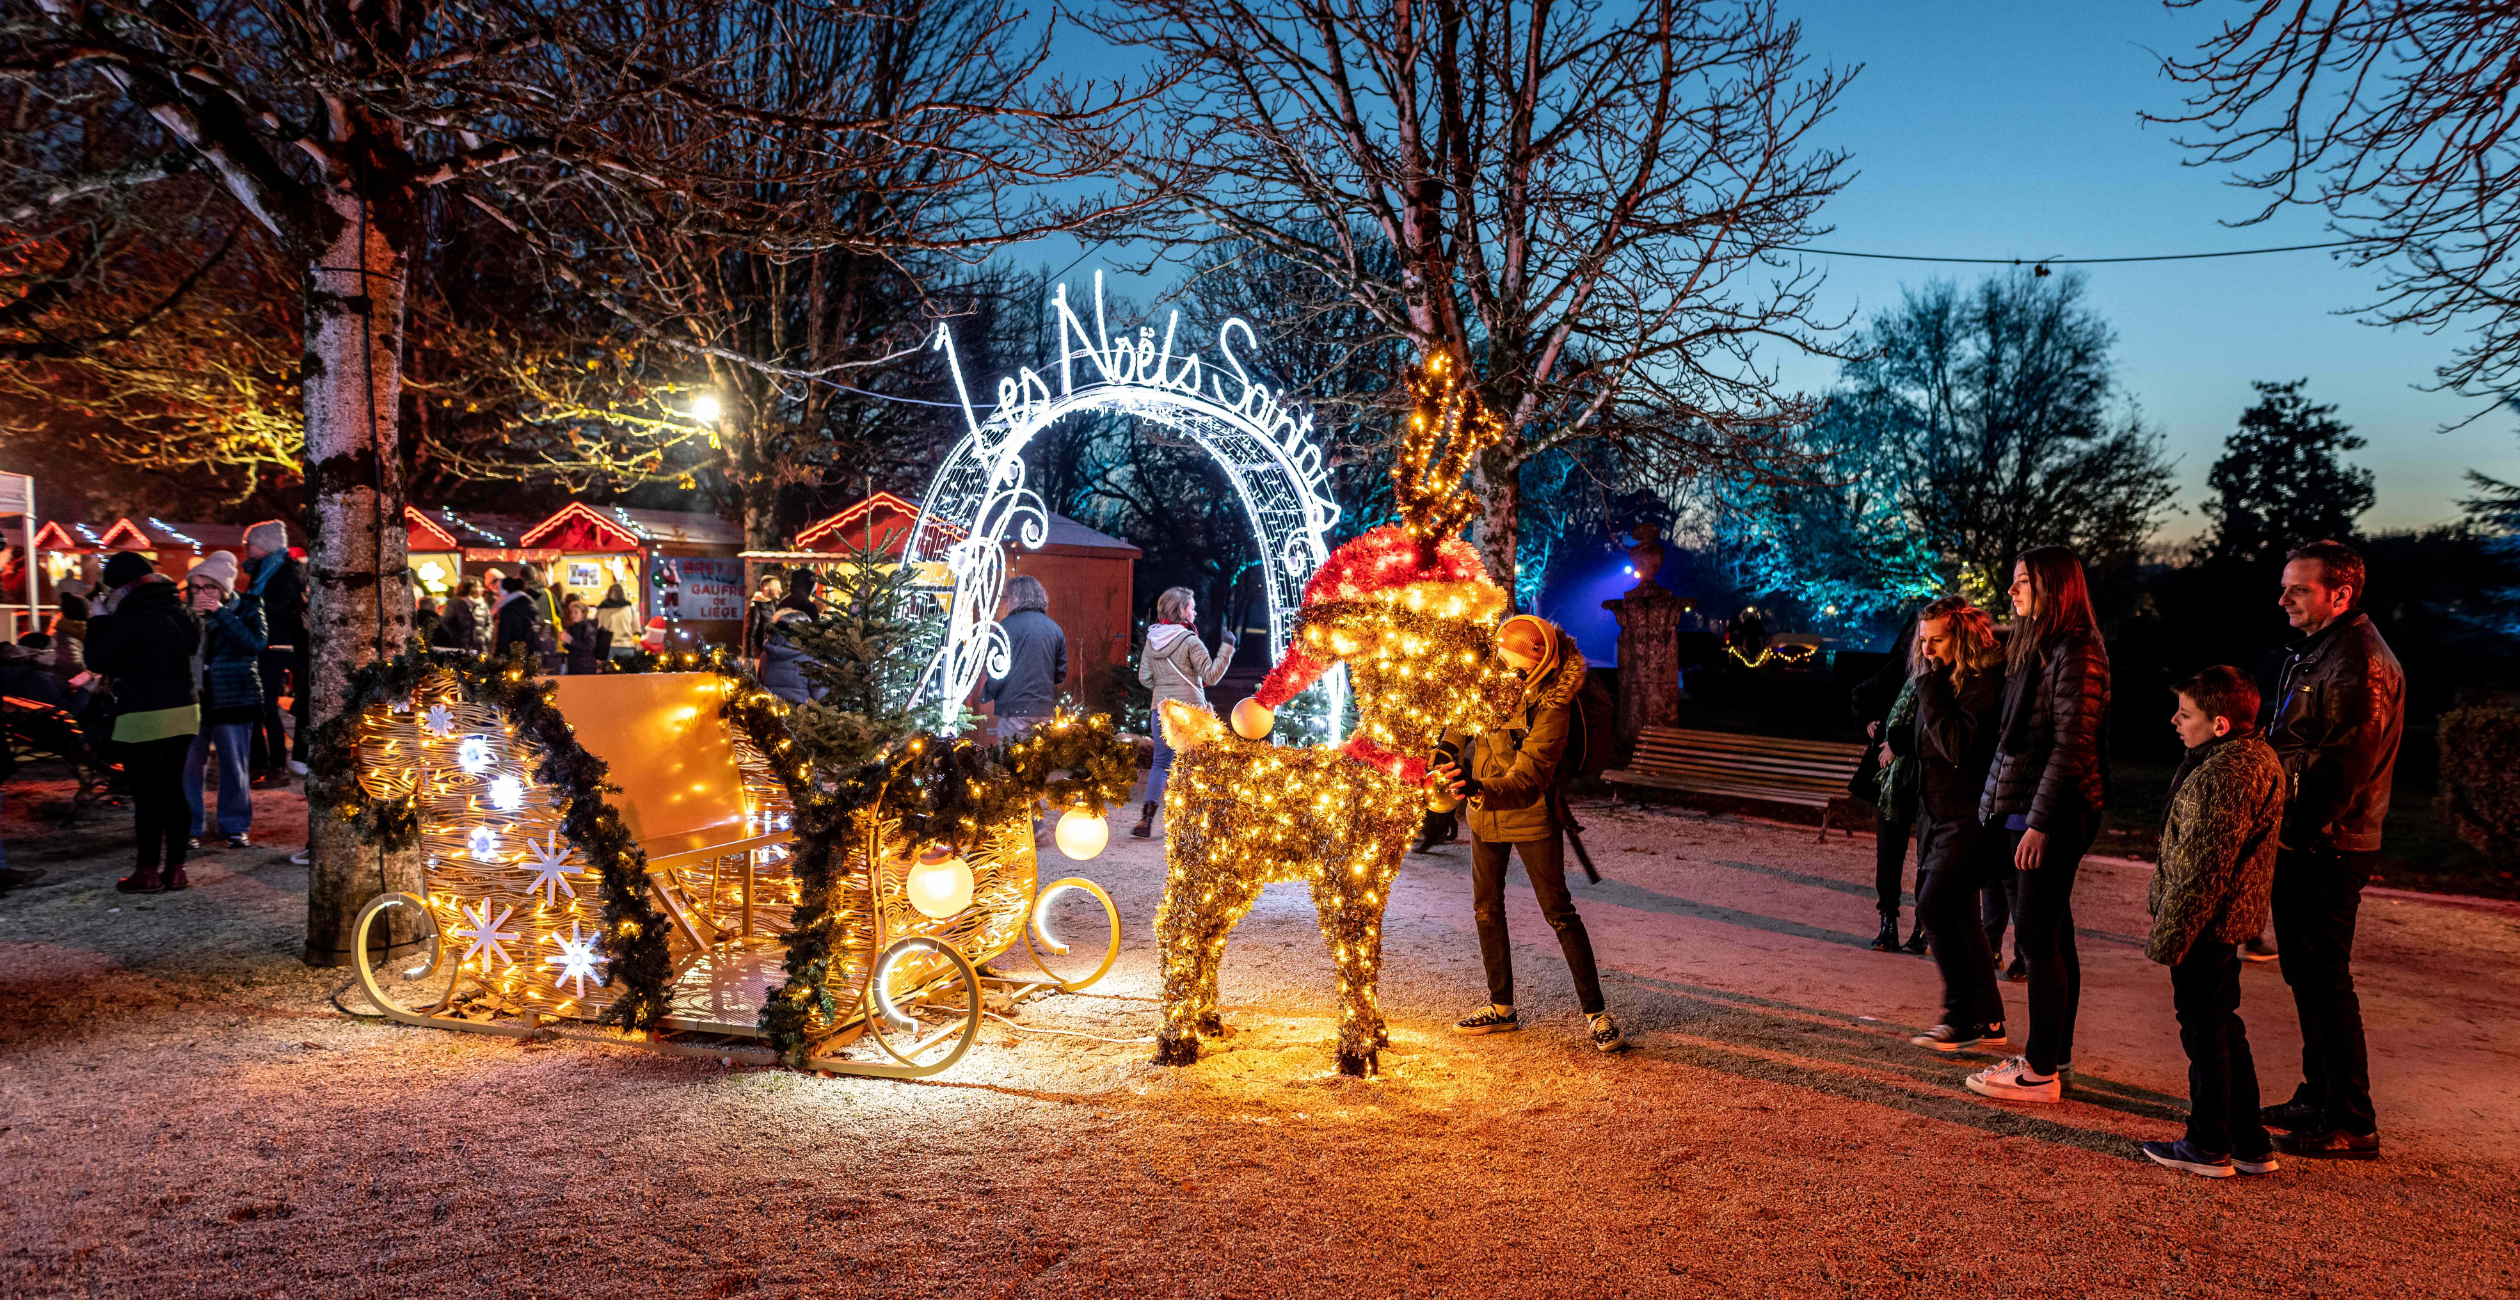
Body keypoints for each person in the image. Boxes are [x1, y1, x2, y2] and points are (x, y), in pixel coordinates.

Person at [2261, 540, 2402, 1160]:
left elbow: (2347, 762)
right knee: (2307, 974)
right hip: (2315, 838)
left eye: (2298, 589)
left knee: (2323, 978)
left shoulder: (2358, 660)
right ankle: (2319, 1097)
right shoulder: (2325, 651)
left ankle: (2351, 1119)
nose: (2283, 598)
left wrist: (2296, 830)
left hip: (2329, 843)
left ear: (2340, 595)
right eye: (2285, 586)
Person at [1432, 615, 1622, 1052]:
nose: (1504, 674)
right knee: (1486, 909)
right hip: (1484, 814)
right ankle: (1502, 1010)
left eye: (1514, 668)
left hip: (1531, 814)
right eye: (1501, 664)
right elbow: (1462, 719)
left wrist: (1477, 787)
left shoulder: (1552, 705)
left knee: (1559, 911)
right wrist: (1446, 746)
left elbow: (1530, 779)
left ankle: (1597, 1014)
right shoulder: (1493, 679)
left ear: (1537, 665)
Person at [1964, 547, 2110, 1104]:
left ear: (2054, 587)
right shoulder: (2037, 645)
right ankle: (2054, 1056)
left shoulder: (2076, 650)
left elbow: (2072, 744)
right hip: (2025, 809)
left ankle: (2040, 1071)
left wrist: (2041, 822)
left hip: (2051, 813)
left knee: (2035, 939)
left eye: (2022, 581)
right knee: (2051, 937)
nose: (2011, 590)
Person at [2138, 666, 2286, 1179]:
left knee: (2206, 1032)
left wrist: (2170, 939)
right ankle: (2249, 1140)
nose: (2175, 721)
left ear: (2219, 724)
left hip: (2206, 925)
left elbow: (2203, 868)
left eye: (2186, 713)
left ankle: (2208, 1142)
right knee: (2223, 1026)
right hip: (2221, 922)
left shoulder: (2228, 772)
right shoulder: (2242, 759)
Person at [1902, 596, 2013, 1054]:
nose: (1927, 649)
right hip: (1938, 814)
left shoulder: (1979, 682)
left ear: (1961, 637)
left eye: (1938, 640)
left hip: (1970, 815)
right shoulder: (1943, 679)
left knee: (1934, 907)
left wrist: (1929, 689)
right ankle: (1985, 1018)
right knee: (1960, 914)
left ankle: (1959, 1015)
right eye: (1923, 640)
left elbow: (1957, 746)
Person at [85, 551, 201, 893]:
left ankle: (147, 872)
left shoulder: (130, 615)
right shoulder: (182, 610)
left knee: (148, 795)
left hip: (142, 711)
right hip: (184, 708)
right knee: (175, 790)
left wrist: (98, 619)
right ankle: (176, 870)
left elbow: (98, 659)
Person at [1131, 586, 1237, 838]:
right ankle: (1195, 824)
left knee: (1160, 763)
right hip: (1191, 713)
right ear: (1181, 610)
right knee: (1196, 766)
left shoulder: (1152, 640)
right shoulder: (1191, 641)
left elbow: (1145, 678)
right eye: (1191, 607)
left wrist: (1164, 685)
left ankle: (1146, 821)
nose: (1195, 612)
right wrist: (1227, 648)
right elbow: (1211, 674)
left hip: (1161, 710)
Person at [1850, 610, 1926, 953]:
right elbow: (1861, 693)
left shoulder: (1952, 676)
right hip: (1892, 778)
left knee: (1930, 855)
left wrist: (1898, 740)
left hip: (1929, 776)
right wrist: (1871, 720)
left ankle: (1923, 927)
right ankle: (1888, 921)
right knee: (1889, 852)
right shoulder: (1901, 668)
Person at [181, 552, 264, 851]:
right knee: (189, 765)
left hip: (234, 696)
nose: (201, 594)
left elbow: (254, 644)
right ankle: (189, 826)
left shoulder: (248, 608)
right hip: (194, 698)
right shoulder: (187, 612)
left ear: (224, 589)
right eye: (196, 587)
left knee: (234, 765)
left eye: (209, 587)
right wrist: (194, 621)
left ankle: (235, 826)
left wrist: (221, 614)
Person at [242, 521, 308, 778]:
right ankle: (264, 760)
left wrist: (252, 610)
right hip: (265, 642)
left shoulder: (282, 572)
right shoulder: (263, 570)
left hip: (276, 644)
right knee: (261, 703)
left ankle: (277, 762)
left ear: (264, 545)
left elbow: (282, 611)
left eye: (251, 542)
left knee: (266, 703)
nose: (246, 547)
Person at [982, 575, 1066, 742]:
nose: (1004, 602)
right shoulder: (1054, 628)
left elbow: (996, 670)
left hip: (1014, 711)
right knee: (1040, 762)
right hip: (1044, 710)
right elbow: (1060, 673)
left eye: (1006, 597)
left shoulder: (1006, 627)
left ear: (1015, 598)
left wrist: (988, 692)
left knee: (1011, 763)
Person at [758, 581, 824, 704]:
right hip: (803, 719)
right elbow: (821, 695)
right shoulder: (811, 658)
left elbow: (760, 688)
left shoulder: (765, 655)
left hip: (773, 716)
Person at [492, 575, 552, 665]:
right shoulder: (529, 602)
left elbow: (504, 636)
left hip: (512, 656)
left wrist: (498, 658)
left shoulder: (508, 608)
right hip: (530, 653)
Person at [430, 579, 482, 654]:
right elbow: (445, 623)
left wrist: (484, 637)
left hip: (478, 647)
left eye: (480, 586)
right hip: (460, 647)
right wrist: (455, 639)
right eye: (476, 587)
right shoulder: (455, 604)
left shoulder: (482, 604)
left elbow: (488, 623)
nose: (479, 589)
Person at [595, 582, 641, 660]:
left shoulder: (602, 610)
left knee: (609, 671)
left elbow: (596, 629)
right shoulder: (629, 609)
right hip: (627, 647)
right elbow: (637, 630)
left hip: (607, 648)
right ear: (622, 594)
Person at [559, 594, 604, 674]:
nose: (573, 615)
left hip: (585, 666)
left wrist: (570, 641)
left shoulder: (587, 627)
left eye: (576, 612)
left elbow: (589, 647)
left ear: (583, 614)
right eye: (571, 612)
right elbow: (573, 647)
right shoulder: (573, 627)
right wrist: (565, 642)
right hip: (575, 664)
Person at [746, 574, 785, 659]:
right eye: (777, 587)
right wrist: (749, 657)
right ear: (766, 589)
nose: (781, 590)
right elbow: (751, 633)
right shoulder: (756, 606)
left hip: (774, 654)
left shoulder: (777, 605)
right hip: (761, 655)